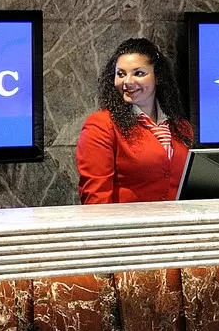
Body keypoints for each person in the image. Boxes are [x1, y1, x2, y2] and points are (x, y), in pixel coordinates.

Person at [75, 36, 194, 205]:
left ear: (158, 76)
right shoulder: (101, 125)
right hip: (126, 222)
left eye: (138, 73)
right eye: (121, 74)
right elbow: (96, 200)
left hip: (176, 222)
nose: (128, 82)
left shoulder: (181, 127)